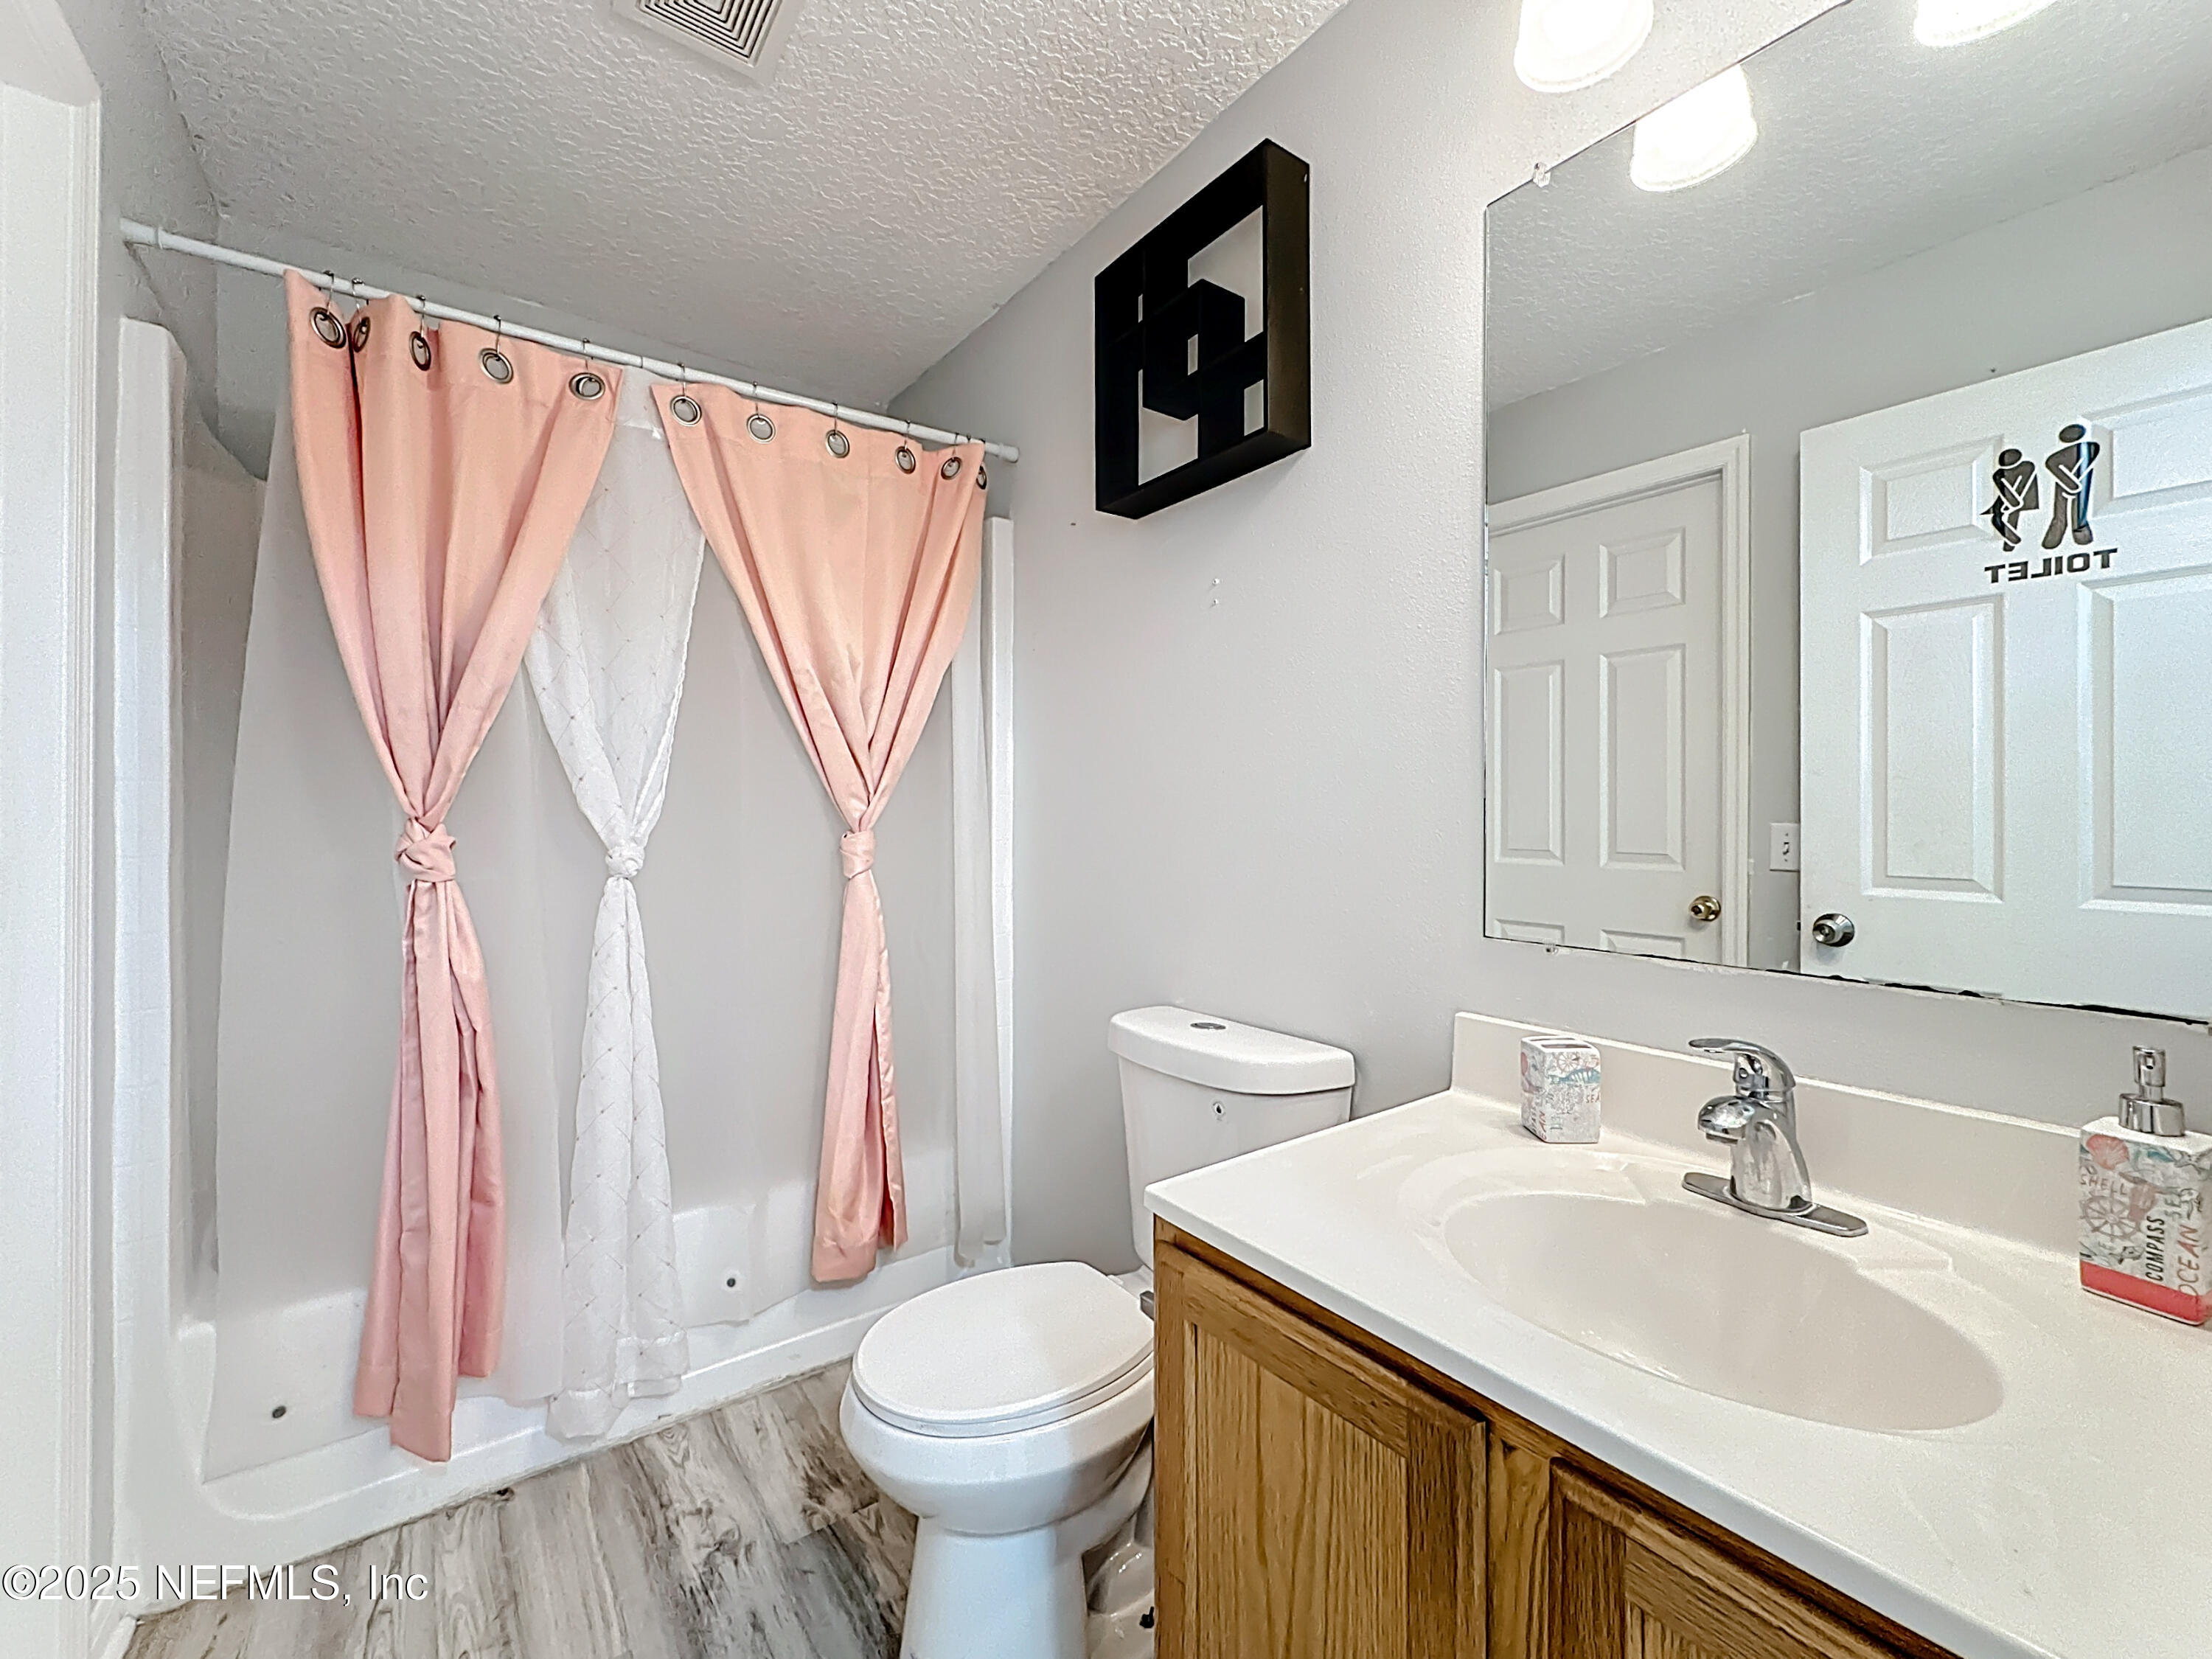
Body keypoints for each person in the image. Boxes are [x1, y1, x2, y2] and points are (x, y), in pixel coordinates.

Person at [2042, 422, 2100, 550]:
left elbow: (2052, 463)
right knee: (2064, 509)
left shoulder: (2086, 449)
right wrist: (2073, 486)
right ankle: (2065, 529)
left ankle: (2075, 530)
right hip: (2072, 481)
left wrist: (2073, 486)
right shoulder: (2089, 449)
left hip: (2075, 480)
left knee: (2074, 509)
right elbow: (2052, 463)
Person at [1986, 448, 2037, 551]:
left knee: (2005, 517)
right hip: (2010, 499)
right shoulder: (2000, 474)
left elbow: (2018, 490)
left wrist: (2012, 503)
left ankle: (2010, 545)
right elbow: (2006, 491)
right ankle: (2010, 544)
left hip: (2019, 499)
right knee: (2002, 518)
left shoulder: (2026, 467)